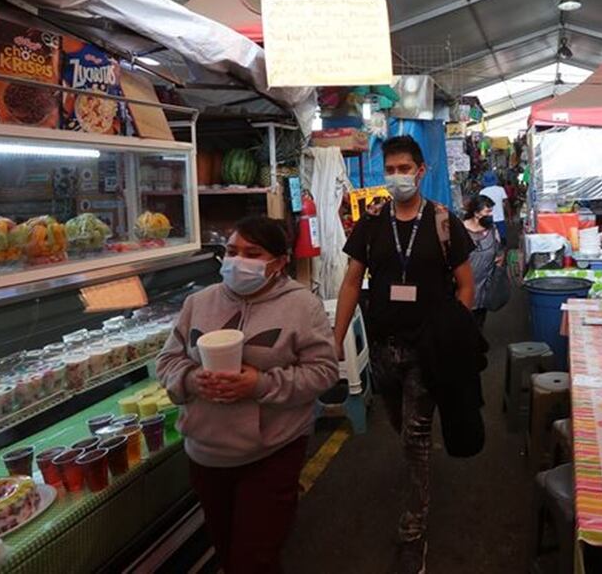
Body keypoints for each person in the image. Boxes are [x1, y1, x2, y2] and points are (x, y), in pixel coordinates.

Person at [156, 216, 339, 574]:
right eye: (231, 251)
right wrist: (192, 380)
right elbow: (167, 361)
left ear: (279, 261)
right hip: (206, 453)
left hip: (271, 451)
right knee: (226, 549)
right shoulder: (199, 302)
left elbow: (323, 371)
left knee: (253, 559)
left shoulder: (302, 306)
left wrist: (260, 385)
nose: (238, 261)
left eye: (252, 253)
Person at [333, 135, 475, 574]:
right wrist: (334, 341)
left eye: (403, 168)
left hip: (427, 349)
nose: (396, 177)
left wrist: (457, 331)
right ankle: (416, 448)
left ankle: (412, 535)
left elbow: (466, 284)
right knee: (398, 420)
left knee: (414, 437)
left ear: (421, 170)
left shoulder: (443, 221)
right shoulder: (372, 222)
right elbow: (353, 283)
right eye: (389, 169)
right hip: (382, 347)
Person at [462, 194, 504, 330]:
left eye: (491, 211)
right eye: (487, 211)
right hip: (463, 286)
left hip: (484, 287)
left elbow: (499, 253)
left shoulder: (492, 230)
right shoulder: (460, 230)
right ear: (476, 213)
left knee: (478, 323)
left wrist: (500, 260)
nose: (491, 215)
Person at [478, 172, 510, 244]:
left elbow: (480, 206)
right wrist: (509, 216)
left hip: (488, 218)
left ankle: (493, 252)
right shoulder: (500, 189)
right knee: (502, 237)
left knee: (490, 239)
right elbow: (507, 203)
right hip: (500, 217)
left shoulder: (482, 192)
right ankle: (503, 251)